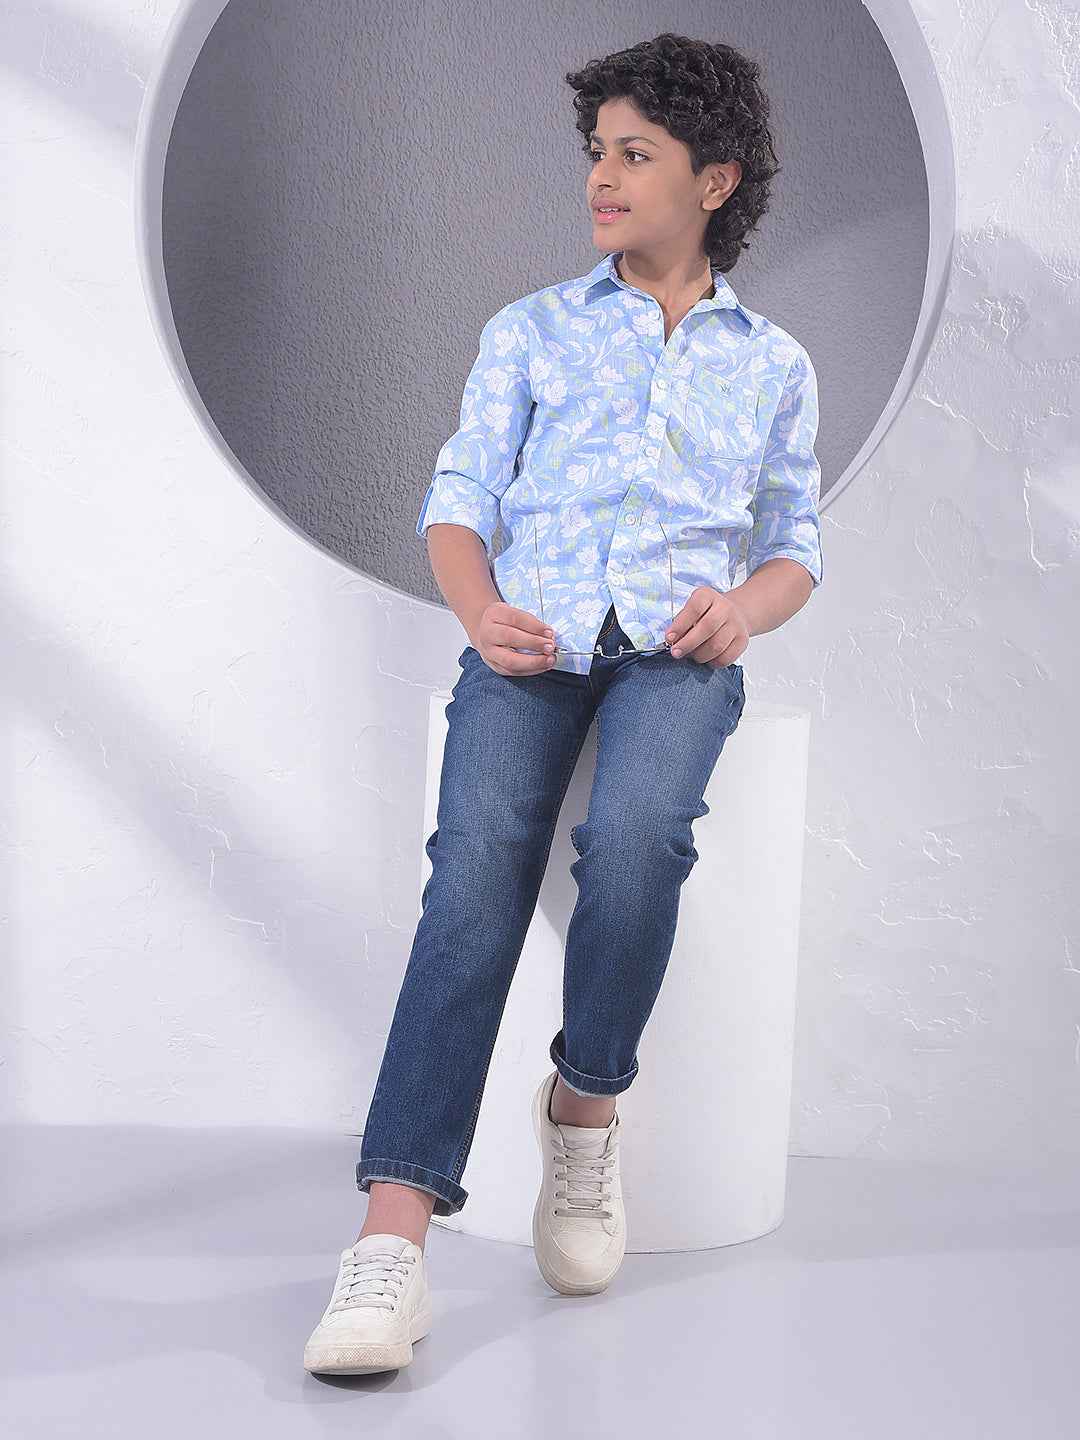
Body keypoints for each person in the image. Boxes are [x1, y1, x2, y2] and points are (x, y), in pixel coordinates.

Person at [304, 31, 823, 1376]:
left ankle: (583, 1111)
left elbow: (794, 546)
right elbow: (459, 501)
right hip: (526, 648)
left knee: (640, 842)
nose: (601, 176)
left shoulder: (772, 363)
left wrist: (744, 610)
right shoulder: (529, 331)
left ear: (714, 180)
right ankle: (391, 1240)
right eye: (598, 151)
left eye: (635, 154)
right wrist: (479, 613)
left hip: (675, 658)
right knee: (475, 875)